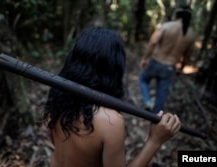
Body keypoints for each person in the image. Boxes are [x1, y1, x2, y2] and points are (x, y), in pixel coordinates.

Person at [44, 27, 181, 167]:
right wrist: (155, 140)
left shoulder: (57, 99)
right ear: (115, 70)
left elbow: (58, 144)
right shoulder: (110, 121)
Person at [139, 4, 196, 114]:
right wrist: (181, 69)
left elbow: (153, 42)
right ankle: (155, 118)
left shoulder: (167, 26)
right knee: (162, 94)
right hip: (169, 67)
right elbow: (186, 56)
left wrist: (144, 58)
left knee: (143, 79)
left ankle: (147, 101)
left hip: (155, 61)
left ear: (177, 14)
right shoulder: (191, 35)